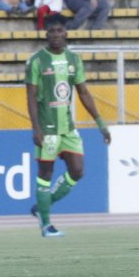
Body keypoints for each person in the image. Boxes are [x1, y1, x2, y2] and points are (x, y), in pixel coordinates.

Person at [25, 17, 110, 237]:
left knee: (78, 170)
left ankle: (42, 206)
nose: (55, 34)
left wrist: (100, 123)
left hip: (68, 128)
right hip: (47, 128)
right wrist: (36, 128)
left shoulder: (74, 59)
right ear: (46, 34)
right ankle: (46, 225)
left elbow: (83, 92)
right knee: (45, 174)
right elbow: (31, 96)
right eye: (51, 30)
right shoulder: (36, 61)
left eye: (59, 30)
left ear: (66, 33)